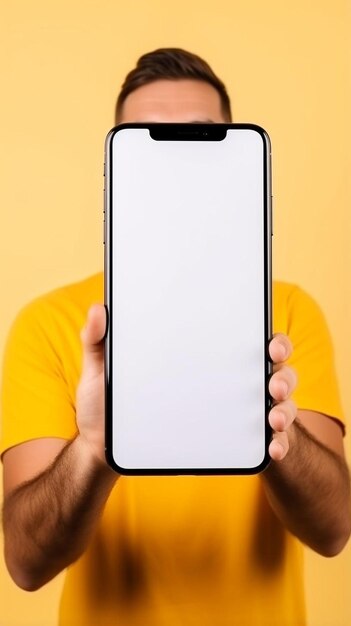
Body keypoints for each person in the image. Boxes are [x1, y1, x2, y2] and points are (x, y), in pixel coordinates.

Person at [1, 48, 350, 626]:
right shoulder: (49, 322)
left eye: (199, 140)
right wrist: (94, 449)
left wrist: (274, 430)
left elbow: (335, 529)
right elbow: (26, 563)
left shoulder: (288, 311)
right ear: (114, 174)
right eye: (146, 143)